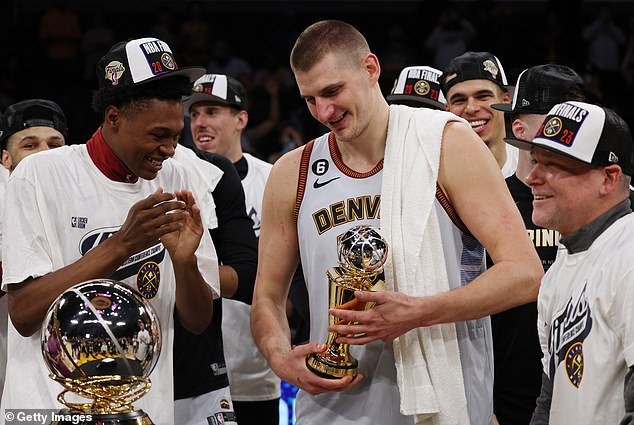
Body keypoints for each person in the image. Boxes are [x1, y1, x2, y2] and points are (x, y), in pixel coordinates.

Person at [251, 19, 542, 425]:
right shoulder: (291, 172)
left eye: (332, 91)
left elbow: (525, 274)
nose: (324, 112)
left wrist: (419, 312)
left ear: (371, 69)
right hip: (331, 407)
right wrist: (281, 357)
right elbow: (266, 297)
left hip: (444, 401)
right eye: (310, 99)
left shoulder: (447, 143)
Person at [0, 37, 218, 425]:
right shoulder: (40, 175)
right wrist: (121, 246)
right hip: (47, 411)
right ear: (114, 117)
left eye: (174, 135)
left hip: (144, 411)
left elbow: (197, 321)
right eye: (157, 135)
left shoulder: (182, 176)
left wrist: (185, 264)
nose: (169, 148)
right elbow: (24, 313)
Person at [504, 101, 634, 424]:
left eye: (554, 165)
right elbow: (549, 398)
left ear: (608, 178)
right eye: (536, 160)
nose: (533, 177)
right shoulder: (560, 267)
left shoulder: (628, 256)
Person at [488, 64, 587, 425]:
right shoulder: (486, 204)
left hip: (587, 395)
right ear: (518, 128)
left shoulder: (604, 205)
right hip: (506, 400)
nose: (574, 129)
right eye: (560, 118)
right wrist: (481, 402)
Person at [186, 73, 280, 425]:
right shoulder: (176, 176)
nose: (199, 123)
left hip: (256, 365)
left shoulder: (272, 179)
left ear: (241, 119)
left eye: (211, 111)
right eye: (194, 114)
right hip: (192, 367)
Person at [0, 98, 68, 406]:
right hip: (23, 386)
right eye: (30, 146)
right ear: (5, 158)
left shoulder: (89, 206)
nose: (44, 156)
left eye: (55, 145)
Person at [441, 51, 519, 177]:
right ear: (448, 110)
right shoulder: (433, 178)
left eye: (483, 96)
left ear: (505, 100)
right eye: (459, 100)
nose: (471, 108)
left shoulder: (531, 166)